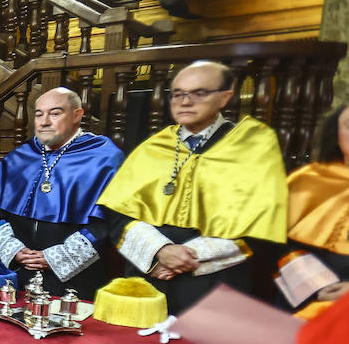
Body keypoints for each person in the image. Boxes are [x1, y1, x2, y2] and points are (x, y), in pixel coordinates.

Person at [100, 60, 288, 314]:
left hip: (213, 282)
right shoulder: (154, 146)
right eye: (178, 94)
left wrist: (186, 258)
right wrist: (160, 251)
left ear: (225, 97)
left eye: (198, 93)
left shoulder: (252, 146)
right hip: (150, 275)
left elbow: (261, 221)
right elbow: (119, 213)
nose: (185, 101)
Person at [0, 87, 125, 299]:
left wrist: (56, 257)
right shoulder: (20, 157)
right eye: (39, 114)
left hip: (75, 280)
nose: (44, 121)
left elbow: (108, 220)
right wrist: (14, 249)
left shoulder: (104, 157)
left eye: (55, 113)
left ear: (78, 115)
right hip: (20, 272)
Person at [280, 104, 349, 308]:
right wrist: (318, 286)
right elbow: (279, 243)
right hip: (309, 291)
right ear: (335, 134)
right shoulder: (306, 180)